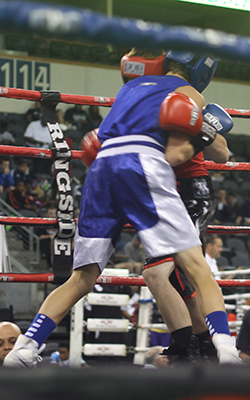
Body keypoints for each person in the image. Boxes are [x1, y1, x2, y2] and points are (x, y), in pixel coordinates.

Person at [4, 49, 241, 368]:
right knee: (198, 268)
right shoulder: (188, 93)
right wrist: (203, 130)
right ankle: (226, 354)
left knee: (81, 278)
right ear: (202, 72)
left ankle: (24, 349)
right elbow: (174, 154)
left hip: (101, 170)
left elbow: (101, 141)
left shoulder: (129, 89)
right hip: (143, 165)